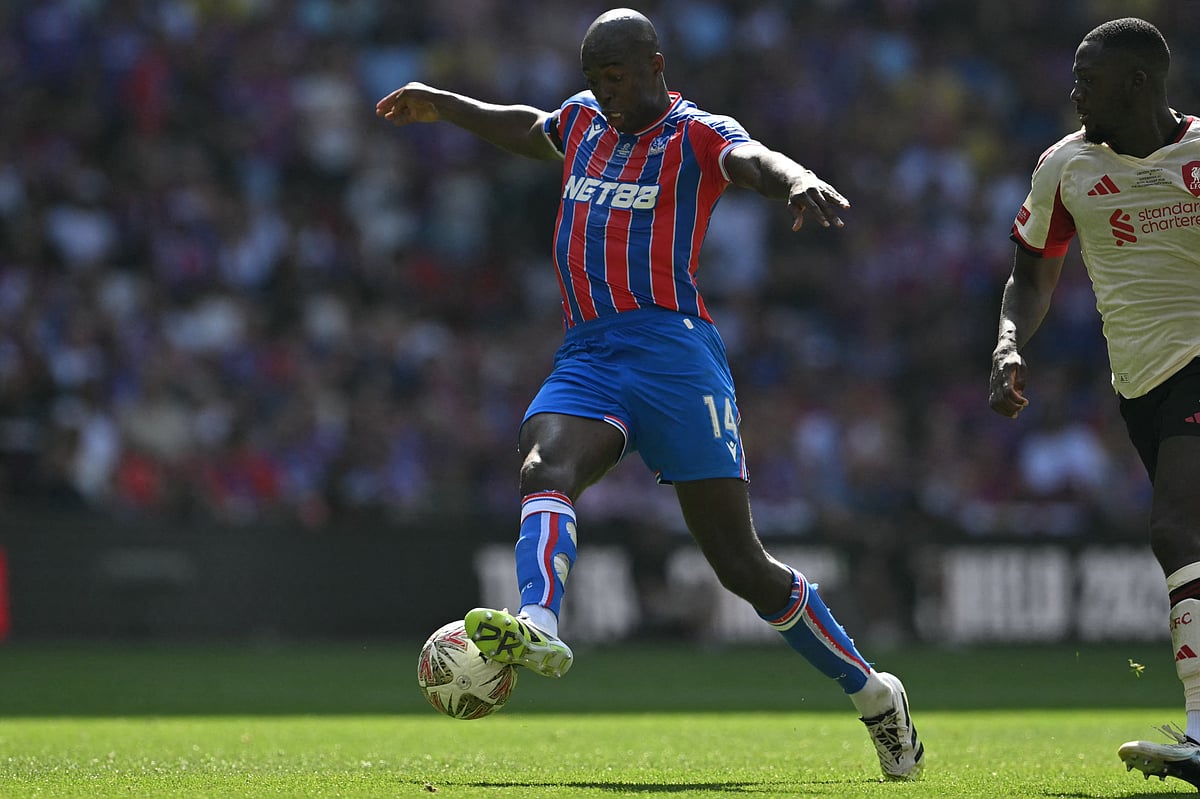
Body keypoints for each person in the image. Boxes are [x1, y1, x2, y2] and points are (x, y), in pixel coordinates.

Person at [379, 8, 923, 780]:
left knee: (741, 565)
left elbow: (751, 157)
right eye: (592, 78)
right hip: (591, 352)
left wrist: (796, 177)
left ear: (654, 66)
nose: (602, 93)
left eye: (614, 77)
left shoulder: (695, 132)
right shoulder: (584, 122)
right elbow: (529, 124)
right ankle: (537, 619)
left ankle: (875, 694)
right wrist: (444, 102)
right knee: (544, 464)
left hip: (676, 357)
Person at [989, 16, 1200, 788]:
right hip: (1140, 382)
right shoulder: (1065, 167)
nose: (1074, 89)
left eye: (1089, 77)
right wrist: (1009, 341)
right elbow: (1031, 276)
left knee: (1178, 527)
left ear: (1138, 83)